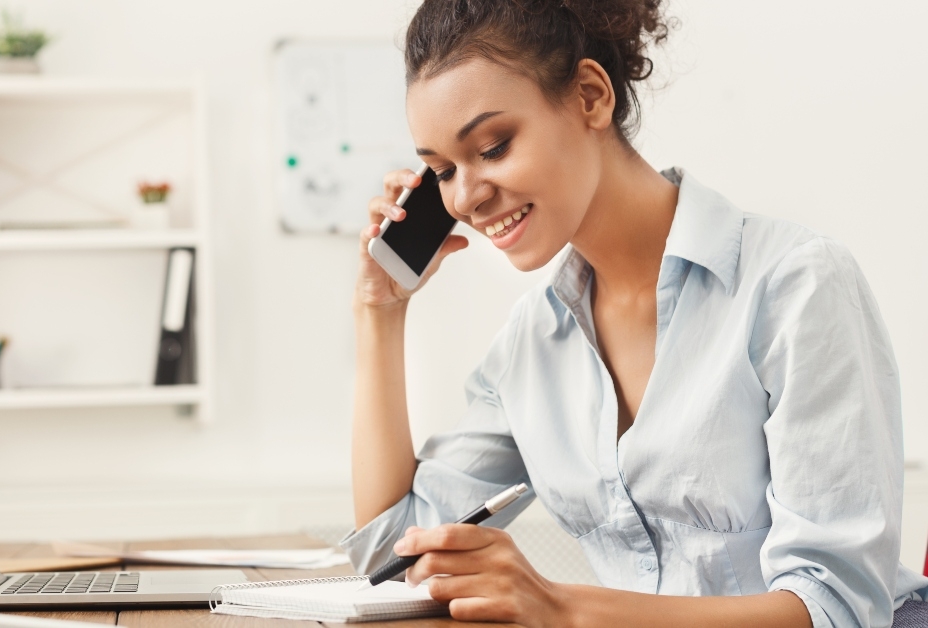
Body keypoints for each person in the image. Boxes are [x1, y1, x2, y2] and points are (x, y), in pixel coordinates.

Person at [343, 0, 928, 626]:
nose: (466, 197)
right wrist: (380, 311)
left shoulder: (795, 285)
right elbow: (393, 553)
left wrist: (559, 605)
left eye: (493, 147)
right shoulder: (532, 345)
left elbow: (836, 607)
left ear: (591, 97)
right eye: (442, 171)